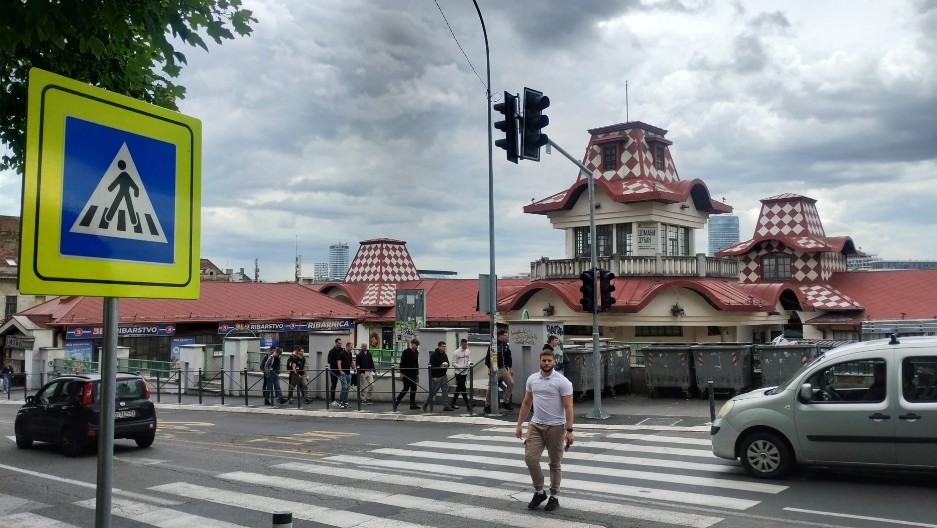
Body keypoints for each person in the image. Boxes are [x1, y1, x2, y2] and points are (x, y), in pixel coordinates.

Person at [515, 348, 574, 512]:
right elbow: (527, 403)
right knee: (530, 458)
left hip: (556, 426)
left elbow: (569, 407)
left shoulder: (562, 381)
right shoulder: (532, 379)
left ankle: (554, 496)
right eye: (544, 360)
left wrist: (569, 430)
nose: (546, 363)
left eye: (549, 361)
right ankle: (539, 491)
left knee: (554, 463)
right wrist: (519, 424)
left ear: (554, 362)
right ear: (539, 361)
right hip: (536, 425)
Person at [484, 329, 514, 412]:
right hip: (494, 369)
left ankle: (506, 402)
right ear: (500, 336)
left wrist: (510, 367)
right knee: (491, 387)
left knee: (511, 383)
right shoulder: (493, 344)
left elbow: (508, 356)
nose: (506, 337)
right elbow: (487, 357)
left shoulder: (505, 345)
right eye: (505, 335)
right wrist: (490, 367)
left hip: (503, 368)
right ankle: (487, 405)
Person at [423, 341, 453, 412]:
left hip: (443, 375)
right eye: (443, 346)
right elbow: (431, 366)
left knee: (445, 390)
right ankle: (426, 403)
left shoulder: (444, 355)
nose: (444, 348)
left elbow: (447, 362)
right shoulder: (434, 355)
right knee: (433, 391)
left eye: (445, 346)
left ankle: (446, 406)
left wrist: (446, 365)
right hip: (437, 376)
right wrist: (432, 376)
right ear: (439, 347)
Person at [395, 338, 421, 410]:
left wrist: (417, 373)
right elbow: (402, 363)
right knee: (406, 388)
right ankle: (397, 401)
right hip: (406, 373)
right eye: (416, 345)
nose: (417, 347)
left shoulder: (416, 352)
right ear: (412, 344)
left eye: (417, 345)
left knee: (414, 388)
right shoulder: (405, 352)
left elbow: (416, 363)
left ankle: (412, 404)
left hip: (413, 373)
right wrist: (402, 373)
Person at [450, 338, 472, 411]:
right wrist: (462, 366)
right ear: (461, 344)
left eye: (467, 344)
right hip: (458, 373)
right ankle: (468, 404)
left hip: (465, 372)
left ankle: (453, 402)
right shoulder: (456, 352)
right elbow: (453, 363)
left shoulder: (468, 351)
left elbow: (469, 360)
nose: (466, 346)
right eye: (464, 345)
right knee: (463, 388)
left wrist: (468, 364)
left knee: (459, 388)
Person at [336, 342, 354, 408]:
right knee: (344, 387)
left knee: (348, 388)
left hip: (348, 373)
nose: (352, 348)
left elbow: (351, 362)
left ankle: (345, 401)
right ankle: (340, 402)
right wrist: (341, 371)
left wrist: (354, 368)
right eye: (351, 347)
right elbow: (339, 362)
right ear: (347, 346)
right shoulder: (341, 353)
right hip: (343, 373)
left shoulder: (350, 353)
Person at [327, 338, 343, 407]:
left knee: (344, 385)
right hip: (334, 370)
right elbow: (329, 361)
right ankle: (333, 400)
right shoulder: (332, 351)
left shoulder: (342, 350)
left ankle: (342, 399)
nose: (340, 344)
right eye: (339, 343)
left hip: (342, 370)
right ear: (336, 343)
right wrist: (337, 363)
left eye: (341, 343)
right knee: (334, 385)